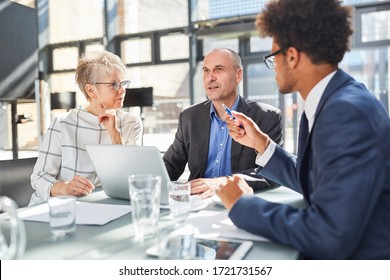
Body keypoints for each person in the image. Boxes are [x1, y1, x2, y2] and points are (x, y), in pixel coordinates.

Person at [217, 0, 390, 259]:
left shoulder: (345, 113)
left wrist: (243, 205)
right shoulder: (332, 101)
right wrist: (261, 143)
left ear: (292, 56)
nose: (273, 66)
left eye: (272, 57)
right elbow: (317, 181)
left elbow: (329, 233)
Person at [163, 48, 283, 198]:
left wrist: (222, 183)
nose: (210, 78)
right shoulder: (189, 117)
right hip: (197, 202)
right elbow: (171, 165)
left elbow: (272, 173)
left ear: (238, 75)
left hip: (241, 202)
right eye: (206, 71)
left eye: (218, 69)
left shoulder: (267, 116)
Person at [29, 50, 143, 206]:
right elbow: (39, 177)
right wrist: (65, 187)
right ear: (91, 90)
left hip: (104, 207)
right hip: (59, 207)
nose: (122, 90)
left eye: (123, 83)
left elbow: (132, 179)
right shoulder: (63, 124)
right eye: (114, 85)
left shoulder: (131, 123)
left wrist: (114, 134)